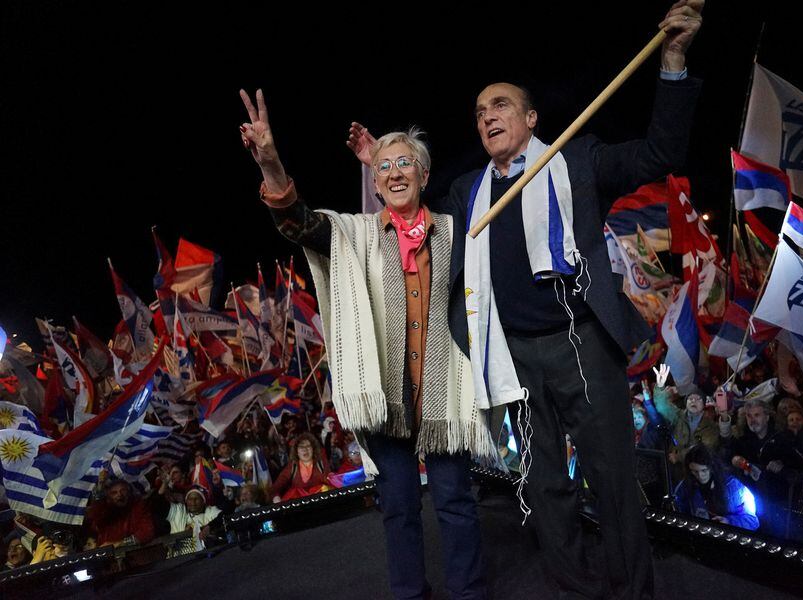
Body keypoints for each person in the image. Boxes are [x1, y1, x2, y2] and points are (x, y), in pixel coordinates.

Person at [347, 3, 704, 596]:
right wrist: (377, 173)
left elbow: (659, 155)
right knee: (542, 486)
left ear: (532, 117)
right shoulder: (467, 192)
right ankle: (575, 584)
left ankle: (631, 588)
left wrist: (671, 63)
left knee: (611, 478)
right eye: (480, 110)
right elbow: (414, 236)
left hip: (581, 340)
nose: (487, 115)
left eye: (501, 104)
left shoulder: (576, 160)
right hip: (510, 356)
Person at [239, 90, 494, 599]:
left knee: (457, 504)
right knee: (399, 508)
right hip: (387, 403)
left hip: (446, 396)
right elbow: (297, 223)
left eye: (406, 164)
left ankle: (470, 594)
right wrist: (270, 162)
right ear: (374, 184)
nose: (396, 172)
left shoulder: (461, 229)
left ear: (424, 175)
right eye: (385, 167)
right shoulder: (352, 233)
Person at [673, 443, 759, 531]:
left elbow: (752, 521)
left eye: (704, 470)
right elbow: (679, 517)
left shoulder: (734, 487)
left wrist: (728, 521)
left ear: (712, 467)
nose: (700, 475)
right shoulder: (683, 488)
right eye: (695, 471)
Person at [85, 478, 156, 547]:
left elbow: (146, 532)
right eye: (114, 493)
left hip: (133, 553)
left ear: (129, 492)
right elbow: (95, 513)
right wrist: (100, 487)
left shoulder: (138, 506)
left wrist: (119, 544)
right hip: (107, 556)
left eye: (123, 490)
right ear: (109, 497)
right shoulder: (105, 511)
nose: (119, 495)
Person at [271, 433, 332, 501]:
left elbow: (330, 481)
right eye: (301, 447)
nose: (305, 450)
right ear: (296, 451)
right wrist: (276, 497)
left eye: (308, 446)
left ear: (313, 449)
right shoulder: (292, 467)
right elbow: (276, 487)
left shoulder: (321, 464)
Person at [166, 485, 223, 557]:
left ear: (203, 501)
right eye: (190, 499)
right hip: (179, 557)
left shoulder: (210, 511)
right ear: (186, 501)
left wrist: (209, 527)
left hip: (205, 556)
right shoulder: (179, 512)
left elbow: (223, 516)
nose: (193, 502)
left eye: (197, 499)